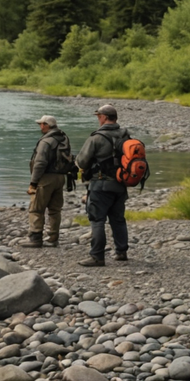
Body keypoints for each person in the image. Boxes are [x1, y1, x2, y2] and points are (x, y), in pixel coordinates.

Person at [74, 104, 131, 267]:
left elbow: (82, 161)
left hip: (100, 186)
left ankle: (97, 256)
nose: (98, 119)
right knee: (118, 219)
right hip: (121, 184)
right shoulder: (126, 136)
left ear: (105, 117)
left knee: (97, 219)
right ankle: (121, 252)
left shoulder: (96, 138)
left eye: (98, 116)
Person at [22, 115, 70, 248]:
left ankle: (35, 238)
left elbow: (40, 163)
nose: (40, 126)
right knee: (55, 209)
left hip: (46, 178)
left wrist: (33, 182)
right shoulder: (63, 138)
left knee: (36, 208)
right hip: (60, 178)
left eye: (41, 124)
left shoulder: (46, 141)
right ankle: (53, 238)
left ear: (46, 125)